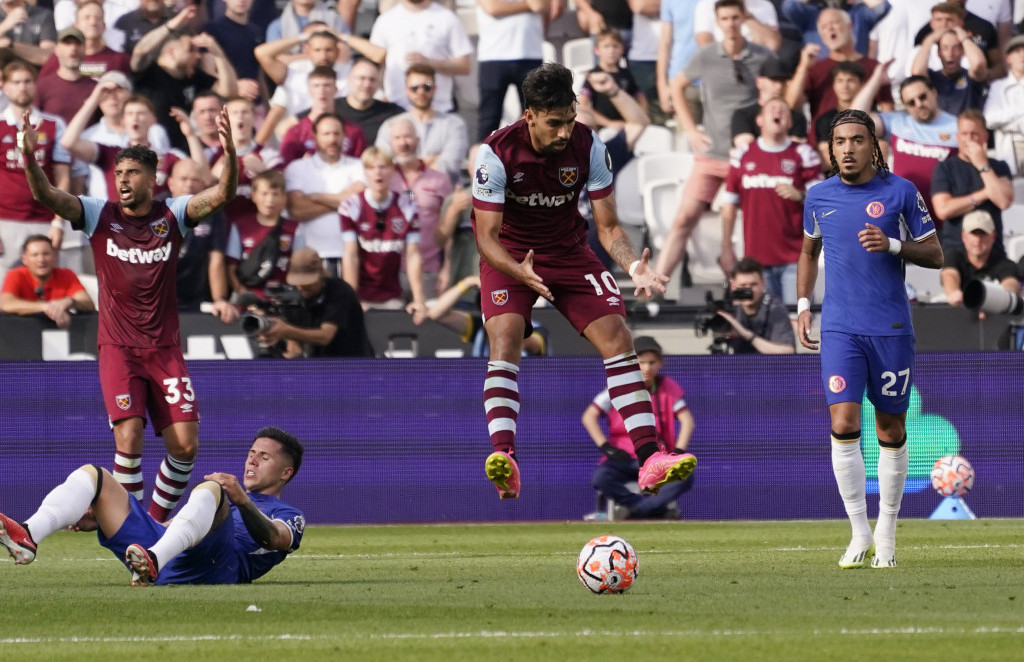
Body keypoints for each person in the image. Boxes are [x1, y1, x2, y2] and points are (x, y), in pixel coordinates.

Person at [472, 62, 695, 500]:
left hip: (570, 252)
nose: (562, 132)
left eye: (569, 120)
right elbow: (485, 238)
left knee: (618, 336)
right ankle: (505, 457)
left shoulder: (589, 145)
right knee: (505, 339)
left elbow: (609, 228)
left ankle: (650, 458)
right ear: (529, 115)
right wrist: (520, 272)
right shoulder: (495, 153)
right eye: (554, 123)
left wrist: (635, 268)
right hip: (511, 255)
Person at [21, 106, 238, 522]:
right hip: (118, 347)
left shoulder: (172, 215)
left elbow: (222, 196)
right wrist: (31, 160)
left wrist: (229, 155)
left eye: (132, 173)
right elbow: (47, 196)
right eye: (119, 173)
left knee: (185, 446)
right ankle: (131, 530)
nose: (123, 179)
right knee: (130, 438)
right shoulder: (97, 214)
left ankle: (152, 521)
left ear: (152, 179)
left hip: (165, 349)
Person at [796, 109, 943, 569]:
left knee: (890, 430)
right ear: (831, 147)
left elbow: (936, 254)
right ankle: (859, 533)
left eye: (856, 140)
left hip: (891, 329)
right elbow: (807, 251)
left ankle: (888, 535)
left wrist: (895, 244)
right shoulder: (818, 196)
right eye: (839, 141)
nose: (847, 148)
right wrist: (803, 306)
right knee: (842, 423)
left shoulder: (900, 191)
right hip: (840, 327)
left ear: (872, 145)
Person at [0, 427, 305, 587]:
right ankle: (29, 535)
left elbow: (275, 539)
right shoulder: (227, 495)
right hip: (167, 555)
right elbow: (174, 529)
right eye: (251, 453)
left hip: (216, 569)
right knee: (97, 477)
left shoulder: (289, 515)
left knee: (213, 489)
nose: (252, 460)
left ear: (286, 472)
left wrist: (240, 500)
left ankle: (153, 562)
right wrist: (104, 518)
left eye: (264, 457)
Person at [654, 0, 772, 290]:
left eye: (735, 17)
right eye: (725, 18)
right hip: (710, 156)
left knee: (757, 224)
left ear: (743, 18)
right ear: (717, 21)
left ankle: (754, 288)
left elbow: (777, 93)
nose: (730, 23)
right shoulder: (705, 55)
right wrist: (692, 130)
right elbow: (676, 85)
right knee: (684, 217)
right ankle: (655, 286)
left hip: (748, 158)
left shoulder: (761, 56)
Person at [581, 336, 696, 520]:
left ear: (660, 363)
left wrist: (678, 452)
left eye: (652, 362)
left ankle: (636, 511)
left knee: (685, 476)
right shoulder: (619, 386)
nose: (647, 368)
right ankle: (649, 509)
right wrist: (607, 448)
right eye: (641, 362)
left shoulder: (667, 387)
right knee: (601, 478)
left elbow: (687, 421)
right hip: (624, 459)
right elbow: (589, 416)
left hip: (657, 458)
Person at [720, 98, 822, 304]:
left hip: (796, 258)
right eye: (772, 109)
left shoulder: (804, 154)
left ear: (791, 122)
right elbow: (729, 205)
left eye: (784, 110)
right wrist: (726, 248)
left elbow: (822, 202)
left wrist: (801, 195)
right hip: (755, 261)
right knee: (763, 321)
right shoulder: (743, 154)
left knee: (796, 318)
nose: (778, 112)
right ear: (759, 120)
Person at [0, 60, 71, 284]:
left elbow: (63, 177)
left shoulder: (53, 125)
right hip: (5, 221)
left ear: (35, 85)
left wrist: (58, 222)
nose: (23, 87)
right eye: (16, 82)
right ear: (4, 86)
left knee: (48, 289)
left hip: (45, 220)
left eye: (28, 81)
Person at [341, 147, 425, 311]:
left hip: (392, 295)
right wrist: (352, 300)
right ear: (365, 172)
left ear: (393, 170)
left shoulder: (407, 206)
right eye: (371, 168)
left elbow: (412, 254)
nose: (377, 173)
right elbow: (350, 255)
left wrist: (419, 300)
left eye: (383, 167)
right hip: (361, 297)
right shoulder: (351, 205)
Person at [254, 246, 374, 358]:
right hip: (317, 365)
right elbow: (295, 346)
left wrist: (285, 330)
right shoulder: (293, 296)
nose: (302, 287)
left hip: (353, 363)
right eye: (299, 282)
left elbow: (326, 336)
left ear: (320, 274)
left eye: (308, 283)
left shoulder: (339, 291)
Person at [284, 113, 366, 276]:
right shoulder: (298, 167)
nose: (332, 139)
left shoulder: (359, 166)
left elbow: (363, 205)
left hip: (351, 255)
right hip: (308, 255)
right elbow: (297, 210)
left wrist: (315, 197)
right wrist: (344, 201)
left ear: (344, 136)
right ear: (315, 137)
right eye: (326, 134)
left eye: (336, 133)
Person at [367, 0, 473, 113]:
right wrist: (379, 95)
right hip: (396, 108)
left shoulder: (446, 18)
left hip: (438, 108)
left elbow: (465, 66)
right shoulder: (386, 20)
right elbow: (373, 63)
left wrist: (430, 63)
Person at [387, 117, 453, 299]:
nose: (403, 143)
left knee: (430, 326)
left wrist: (446, 268)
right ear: (390, 143)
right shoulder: (383, 177)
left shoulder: (440, 179)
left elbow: (448, 229)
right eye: (397, 138)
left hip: (429, 271)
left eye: (407, 137)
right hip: (390, 273)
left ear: (417, 141)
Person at [931, 109, 1013, 254]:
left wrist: (982, 164)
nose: (969, 139)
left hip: (993, 251)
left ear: (985, 137)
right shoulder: (945, 168)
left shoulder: (999, 167)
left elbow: (1003, 201)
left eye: (974, 134)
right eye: (964, 134)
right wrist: (985, 193)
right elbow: (943, 210)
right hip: (955, 251)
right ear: (957, 137)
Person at [374, 63, 468, 186]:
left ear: (435, 88)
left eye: (427, 87)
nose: (421, 92)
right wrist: (430, 160)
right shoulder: (391, 125)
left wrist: (406, 164)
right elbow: (383, 164)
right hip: (402, 194)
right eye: (414, 87)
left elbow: (449, 166)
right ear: (406, 90)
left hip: (442, 194)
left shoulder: (455, 124)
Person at [168, 159, 236, 323]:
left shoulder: (214, 213)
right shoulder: (153, 210)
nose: (189, 184)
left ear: (204, 185)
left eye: (195, 180)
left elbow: (216, 258)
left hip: (198, 300)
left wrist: (219, 299)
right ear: (171, 183)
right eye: (183, 179)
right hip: (159, 299)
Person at [474, 0, 546, 140]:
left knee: (536, 115)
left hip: (530, 54)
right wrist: (528, 5)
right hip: (493, 56)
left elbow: (542, 5)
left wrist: (510, 7)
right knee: (489, 118)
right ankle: (485, 159)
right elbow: (492, 8)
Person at [227, 169, 301, 299]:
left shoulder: (294, 229)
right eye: (264, 194)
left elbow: (300, 268)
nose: (269, 200)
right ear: (254, 195)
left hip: (283, 299)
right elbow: (231, 268)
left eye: (275, 194)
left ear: (284, 198)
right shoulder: (240, 227)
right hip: (249, 301)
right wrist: (245, 295)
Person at [277, 65, 367, 167]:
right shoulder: (296, 132)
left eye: (327, 85)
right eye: (316, 86)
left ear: (335, 89)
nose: (322, 91)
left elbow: (361, 167)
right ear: (310, 90)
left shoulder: (353, 131)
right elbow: (286, 167)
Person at [0, 234, 95, 328]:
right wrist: (46, 307)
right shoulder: (15, 275)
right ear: (24, 259)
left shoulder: (66, 275)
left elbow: (88, 304)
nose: (41, 260)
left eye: (46, 254)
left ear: (54, 256)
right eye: (34, 255)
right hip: (21, 334)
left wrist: (70, 301)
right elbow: (5, 304)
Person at [713, 257, 796, 354]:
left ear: (763, 283)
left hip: (770, 367)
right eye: (743, 285)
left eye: (753, 284)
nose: (748, 290)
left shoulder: (775, 309)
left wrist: (747, 335)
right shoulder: (729, 308)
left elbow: (788, 351)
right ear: (733, 285)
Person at [940, 209, 1019, 308]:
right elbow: (949, 274)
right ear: (964, 236)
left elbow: (1010, 283)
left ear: (993, 236)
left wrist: (993, 303)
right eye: (973, 233)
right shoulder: (953, 256)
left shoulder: (1003, 263)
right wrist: (953, 292)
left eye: (983, 234)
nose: (978, 240)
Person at [731, 57, 809, 148]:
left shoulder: (796, 117)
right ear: (759, 82)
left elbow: (795, 150)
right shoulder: (743, 115)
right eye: (774, 80)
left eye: (783, 81)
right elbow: (745, 147)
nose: (779, 86)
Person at [579, 28, 648, 132]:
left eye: (615, 46)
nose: (611, 51)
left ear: (622, 49)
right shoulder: (593, 75)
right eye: (606, 46)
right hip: (604, 129)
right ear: (597, 50)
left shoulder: (626, 74)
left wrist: (640, 119)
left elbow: (641, 98)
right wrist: (609, 123)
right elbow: (583, 105)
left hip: (629, 128)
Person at [909, 25, 987, 115]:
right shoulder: (932, 78)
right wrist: (930, 39)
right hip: (939, 128)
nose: (950, 54)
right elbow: (917, 73)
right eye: (944, 48)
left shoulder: (971, 77)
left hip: (967, 127)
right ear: (938, 53)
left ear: (963, 51)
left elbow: (979, 64)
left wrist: (965, 38)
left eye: (956, 48)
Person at [333, 58, 404, 145]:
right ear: (349, 79)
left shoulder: (392, 113)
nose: (367, 85)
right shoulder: (332, 109)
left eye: (372, 80)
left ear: (378, 83)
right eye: (361, 78)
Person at [982, 34, 1024, 176]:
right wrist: (1019, 113)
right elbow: (990, 119)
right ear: (1008, 58)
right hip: (1011, 144)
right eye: (1017, 51)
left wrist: (1007, 121)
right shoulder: (998, 86)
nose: (1022, 56)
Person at [0, 0, 57, 67]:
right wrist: (4, 27)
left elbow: (48, 57)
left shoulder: (43, 15)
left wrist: (10, 46)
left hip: (33, 74)